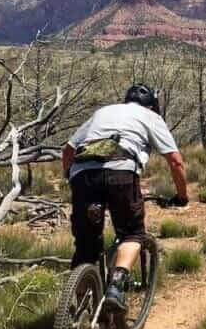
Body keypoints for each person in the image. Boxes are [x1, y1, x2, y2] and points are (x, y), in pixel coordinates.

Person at [62, 84, 189, 312]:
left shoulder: (102, 112)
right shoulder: (150, 116)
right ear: (152, 105)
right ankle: (116, 287)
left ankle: (78, 312)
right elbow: (175, 161)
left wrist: (71, 180)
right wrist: (182, 196)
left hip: (82, 176)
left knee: (86, 246)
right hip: (120, 173)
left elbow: (68, 150)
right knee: (133, 233)